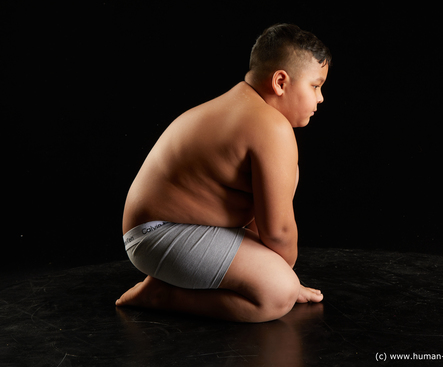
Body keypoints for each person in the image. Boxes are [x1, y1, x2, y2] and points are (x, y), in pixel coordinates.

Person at [116, 23, 331, 322]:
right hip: (156, 233)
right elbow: (278, 232)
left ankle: (178, 280)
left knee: (285, 174)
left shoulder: (242, 104)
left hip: (171, 229)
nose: (321, 98)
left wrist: (265, 268)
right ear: (281, 82)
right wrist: (281, 275)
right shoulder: (271, 127)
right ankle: (162, 294)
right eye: (316, 86)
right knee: (278, 294)